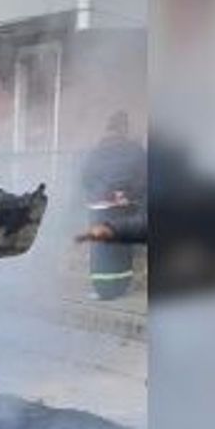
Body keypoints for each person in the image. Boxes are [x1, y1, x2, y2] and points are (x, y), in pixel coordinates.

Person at [79, 111, 147, 300]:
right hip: (125, 206)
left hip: (100, 206)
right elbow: (144, 178)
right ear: (125, 129)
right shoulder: (136, 150)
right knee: (122, 246)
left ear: (108, 130)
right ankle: (120, 288)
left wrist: (100, 194)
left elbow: (85, 177)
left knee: (101, 248)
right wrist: (127, 194)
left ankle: (102, 290)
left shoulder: (95, 152)